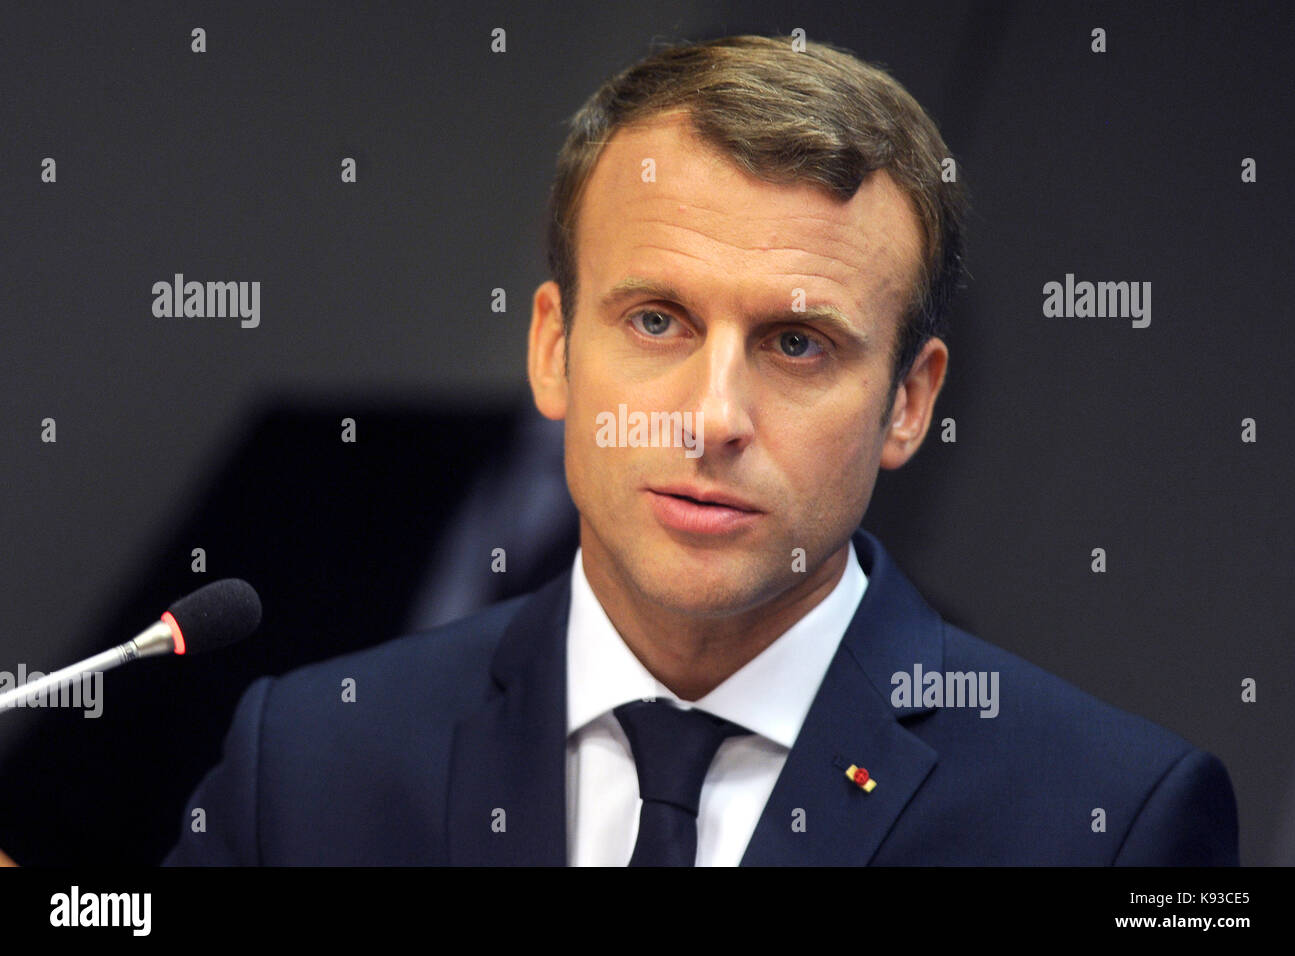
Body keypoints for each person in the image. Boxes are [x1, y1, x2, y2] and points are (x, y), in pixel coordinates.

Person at [161, 35, 1237, 866]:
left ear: (908, 403)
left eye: (798, 342)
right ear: (551, 348)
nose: (712, 416)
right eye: (658, 321)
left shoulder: (1112, 815)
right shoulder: (310, 756)